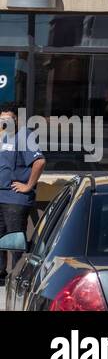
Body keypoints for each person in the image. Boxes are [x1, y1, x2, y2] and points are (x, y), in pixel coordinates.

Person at [0, 103, 44, 286]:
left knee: (15, 240)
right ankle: (1, 274)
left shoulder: (24, 135)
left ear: (17, 120)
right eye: (2, 119)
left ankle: (20, 277)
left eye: (9, 119)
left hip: (14, 198)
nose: (5, 123)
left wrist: (28, 186)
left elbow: (39, 161)